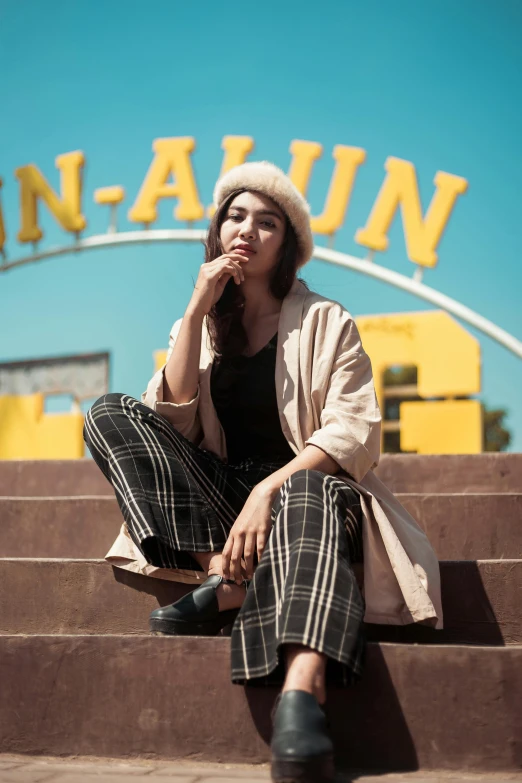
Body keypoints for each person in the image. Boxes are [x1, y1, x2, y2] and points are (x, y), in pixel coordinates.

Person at [84, 161, 443, 783]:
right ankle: (225, 576)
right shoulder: (196, 328)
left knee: (309, 485)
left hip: (314, 502)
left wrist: (266, 490)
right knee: (112, 412)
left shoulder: (327, 320)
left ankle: (302, 693)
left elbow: (354, 430)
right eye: (235, 215)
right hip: (227, 520)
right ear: (218, 229)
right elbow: (172, 423)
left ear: (288, 244)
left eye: (267, 221)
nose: (246, 230)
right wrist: (196, 312)